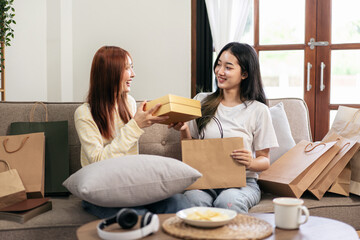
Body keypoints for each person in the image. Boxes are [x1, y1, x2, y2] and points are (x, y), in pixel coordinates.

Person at [74, 46, 191, 218]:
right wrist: (136, 125)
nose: (133, 74)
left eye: (132, 67)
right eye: (127, 68)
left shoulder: (128, 102)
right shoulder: (84, 114)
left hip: (131, 184)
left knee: (181, 203)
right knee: (138, 217)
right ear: (110, 73)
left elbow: (130, 141)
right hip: (101, 189)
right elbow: (98, 162)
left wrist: (171, 120)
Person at [169, 42, 278, 213]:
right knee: (192, 202)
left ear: (244, 74)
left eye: (228, 67)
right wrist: (184, 129)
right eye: (218, 64)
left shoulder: (258, 110)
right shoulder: (201, 101)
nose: (220, 71)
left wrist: (250, 162)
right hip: (205, 179)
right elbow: (191, 149)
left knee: (228, 202)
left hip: (242, 182)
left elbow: (265, 160)